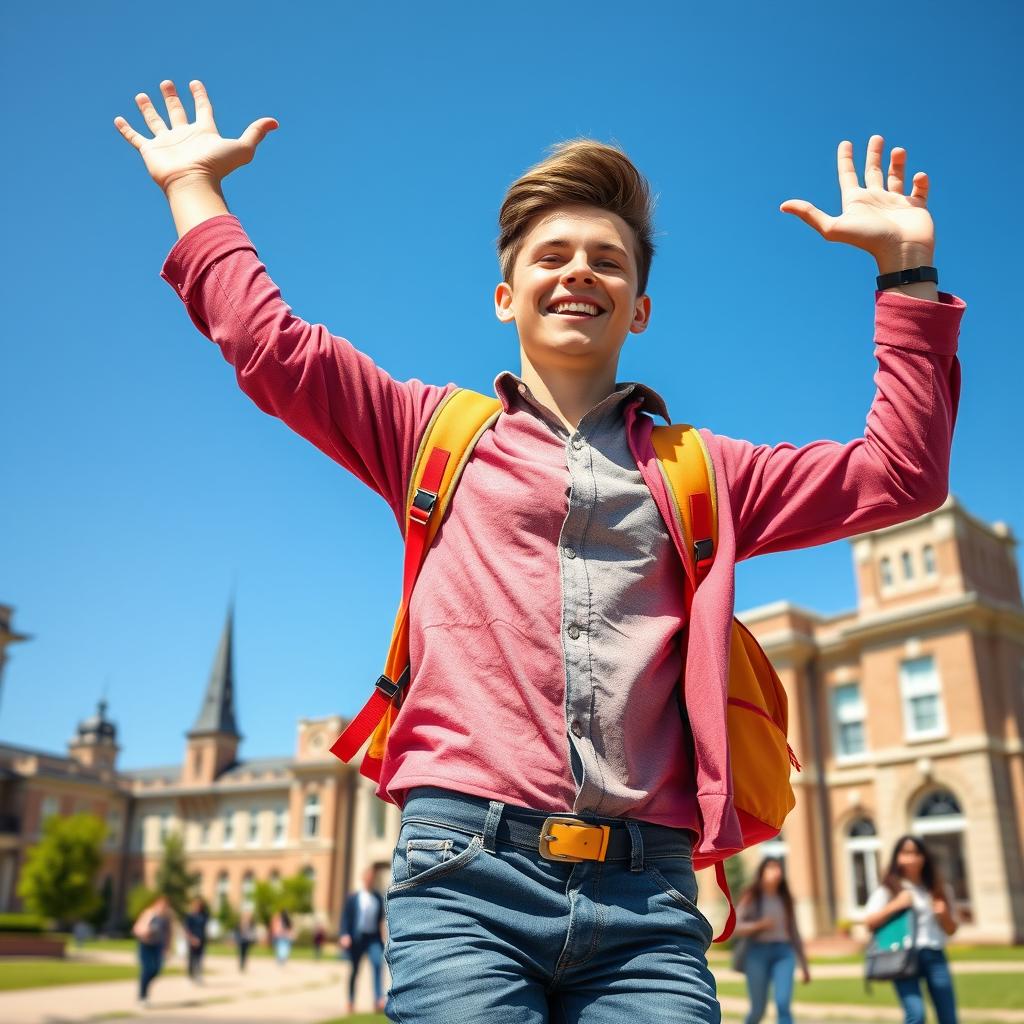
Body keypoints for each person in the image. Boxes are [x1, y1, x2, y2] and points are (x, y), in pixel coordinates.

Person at [116, 80, 966, 1023]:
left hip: (648, 900)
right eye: (551, 254)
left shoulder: (706, 473)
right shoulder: (424, 432)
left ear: (638, 308)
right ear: (504, 295)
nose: (579, 272)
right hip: (463, 875)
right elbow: (272, 349)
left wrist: (905, 268)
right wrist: (194, 189)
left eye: (609, 260)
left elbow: (900, 473)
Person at [864, 835, 960, 1024]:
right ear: (897, 857)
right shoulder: (888, 889)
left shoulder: (938, 889)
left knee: (948, 1016)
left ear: (924, 857)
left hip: (934, 954)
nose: (911, 858)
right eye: (906, 853)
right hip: (902, 956)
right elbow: (869, 922)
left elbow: (951, 930)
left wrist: (944, 914)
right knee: (916, 1014)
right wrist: (896, 905)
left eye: (916, 853)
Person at [733, 857, 811, 1024]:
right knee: (758, 1010)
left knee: (783, 1004)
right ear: (761, 872)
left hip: (783, 952)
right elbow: (735, 927)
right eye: (770, 868)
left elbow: (794, 932)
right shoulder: (752, 896)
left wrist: (804, 965)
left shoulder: (785, 898)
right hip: (757, 953)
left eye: (778, 868)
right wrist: (758, 925)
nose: (776, 872)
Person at [338, 866, 386, 1015]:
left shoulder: (378, 898)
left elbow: (381, 920)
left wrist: (384, 937)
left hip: (373, 939)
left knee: (378, 965)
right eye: (368, 877)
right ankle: (351, 1001)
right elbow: (346, 918)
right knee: (355, 970)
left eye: (373, 877)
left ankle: (378, 1000)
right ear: (364, 878)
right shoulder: (354, 898)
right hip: (357, 938)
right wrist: (344, 934)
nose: (370, 879)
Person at [132, 893, 172, 1008]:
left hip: (157, 946)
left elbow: (168, 933)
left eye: (166, 905)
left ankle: (145, 991)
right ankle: (142, 996)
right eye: (162, 904)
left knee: (157, 970)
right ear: (157, 904)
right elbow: (137, 928)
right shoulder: (149, 914)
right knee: (147, 969)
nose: (164, 907)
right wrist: (145, 931)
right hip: (146, 944)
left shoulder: (166, 918)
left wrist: (167, 948)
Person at [183, 895, 210, 984]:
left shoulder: (204, 915)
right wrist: (192, 939)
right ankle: (190, 974)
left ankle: (198, 974)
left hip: (201, 939)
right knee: (192, 958)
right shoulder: (190, 916)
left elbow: (205, 927)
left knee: (200, 958)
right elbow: (187, 929)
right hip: (192, 940)